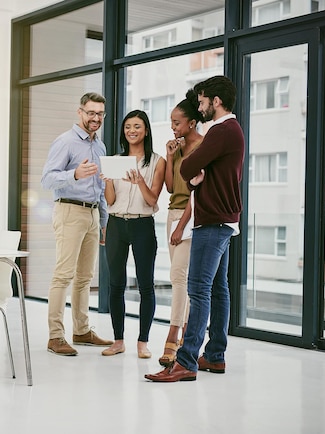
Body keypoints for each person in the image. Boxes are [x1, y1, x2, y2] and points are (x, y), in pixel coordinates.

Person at [145, 75, 244, 382]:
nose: (199, 107)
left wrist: (195, 174)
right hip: (224, 219)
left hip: (212, 219)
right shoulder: (232, 130)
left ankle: (185, 361)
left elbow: (187, 169)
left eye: (202, 102)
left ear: (215, 101)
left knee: (198, 290)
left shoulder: (220, 130)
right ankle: (214, 356)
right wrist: (198, 175)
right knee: (218, 290)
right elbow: (195, 174)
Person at [41, 92, 113, 356]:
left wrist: (103, 220)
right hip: (69, 211)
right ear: (80, 112)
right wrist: (74, 174)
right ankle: (55, 336)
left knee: (85, 277)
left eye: (100, 114)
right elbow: (47, 180)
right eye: (91, 112)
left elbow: (100, 185)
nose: (95, 118)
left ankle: (81, 330)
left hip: (93, 214)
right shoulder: (66, 142)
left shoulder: (99, 146)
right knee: (63, 275)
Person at [100, 110, 165, 357]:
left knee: (145, 285)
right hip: (116, 224)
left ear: (146, 130)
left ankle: (143, 343)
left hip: (142, 225)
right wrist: (107, 180)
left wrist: (139, 181)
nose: (132, 131)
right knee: (115, 285)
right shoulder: (115, 160)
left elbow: (152, 200)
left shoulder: (157, 162)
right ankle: (118, 341)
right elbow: (110, 201)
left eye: (137, 126)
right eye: (128, 127)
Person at [158, 90, 204, 367]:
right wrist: (170, 156)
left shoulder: (204, 147)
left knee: (178, 277)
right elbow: (171, 188)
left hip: (190, 215)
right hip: (173, 213)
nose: (173, 127)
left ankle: (173, 334)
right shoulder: (179, 148)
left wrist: (181, 225)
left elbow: (197, 193)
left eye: (177, 122)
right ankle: (185, 330)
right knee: (180, 279)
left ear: (191, 122)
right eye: (171, 122)